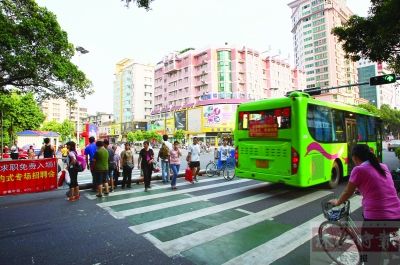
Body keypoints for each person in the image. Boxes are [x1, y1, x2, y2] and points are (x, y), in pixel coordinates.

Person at [330, 144, 400, 264]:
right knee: (383, 239)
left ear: (355, 157)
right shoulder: (382, 166)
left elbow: (347, 192)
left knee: (370, 256)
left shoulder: (359, 170)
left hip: (377, 219)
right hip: (396, 215)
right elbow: (380, 186)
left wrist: (337, 202)